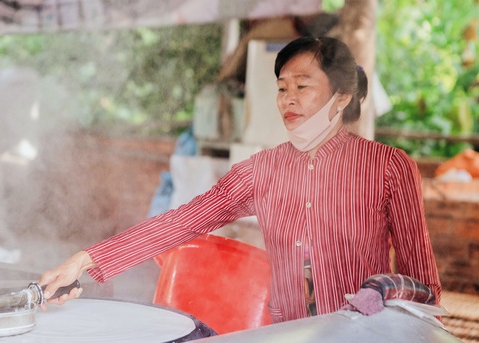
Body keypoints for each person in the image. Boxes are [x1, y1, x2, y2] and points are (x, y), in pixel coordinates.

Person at [38, 36, 442, 323]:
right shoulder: (261, 170)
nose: (288, 99)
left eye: (302, 86)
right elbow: (183, 222)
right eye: (282, 88)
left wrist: (385, 299)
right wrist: (85, 260)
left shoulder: (388, 167)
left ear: (340, 97)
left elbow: (423, 284)